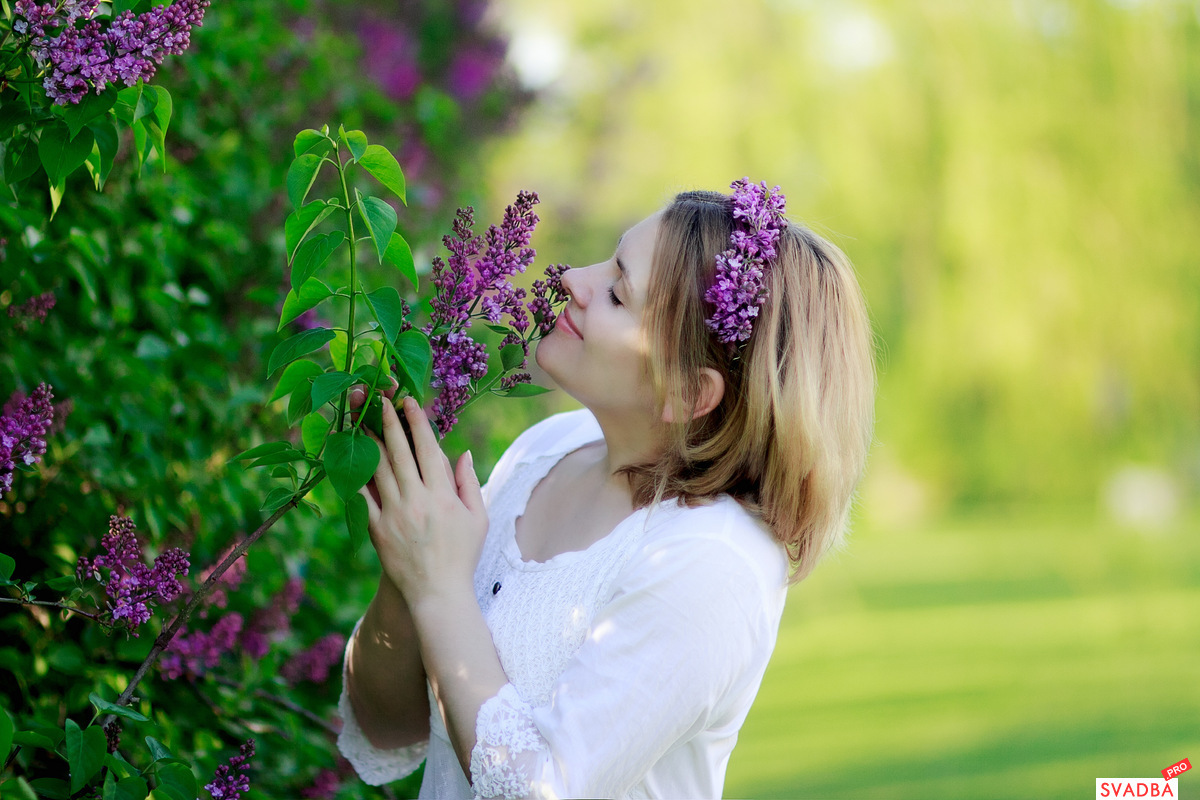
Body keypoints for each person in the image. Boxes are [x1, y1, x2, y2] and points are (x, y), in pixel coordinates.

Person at [336, 179, 876, 799]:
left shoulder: (710, 563)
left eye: (618, 293)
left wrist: (435, 585)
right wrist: (412, 562)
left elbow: (544, 790)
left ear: (687, 393)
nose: (573, 280)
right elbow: (386, 726)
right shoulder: (550, 451)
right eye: (610, 258)